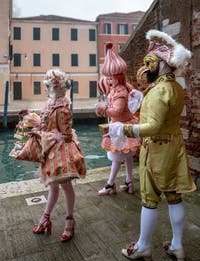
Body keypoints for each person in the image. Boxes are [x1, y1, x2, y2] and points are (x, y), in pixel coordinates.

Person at [108, 30, 196, 261]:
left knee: (149, 198)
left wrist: (123, 129)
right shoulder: (175, 87)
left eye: (149, 64)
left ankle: (143, 246)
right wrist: (140, 101)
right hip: (174, 147)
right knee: (174, 195)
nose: (145, 70)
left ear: (158, 65)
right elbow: (161, 118)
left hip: (157, 150)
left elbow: (153, 126)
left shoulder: (158, 91)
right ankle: (177, 245)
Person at [30, 69, 86, 241]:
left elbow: (67, 136)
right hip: (50, 151)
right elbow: (45, 125)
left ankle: (70, 221)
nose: (48, 89)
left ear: (58, 88)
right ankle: (46, 217)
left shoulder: (62, 109)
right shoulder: (50, 105)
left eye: (50, 86)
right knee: (53, 187)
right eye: (47, 86)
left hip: (61, 153)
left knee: (66, 187)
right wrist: (36, 127)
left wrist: (48, 135)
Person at [96, 43, 142, 195]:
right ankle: (129, 183)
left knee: (116, 157)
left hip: (121, 127)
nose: (108, 80)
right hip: (120, 125)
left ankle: (110, 185)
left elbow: (117, 111)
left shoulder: (121, 91)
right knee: (127, 156)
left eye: (111, 78)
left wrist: (103, 110)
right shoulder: (120, 88)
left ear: (117, 77)